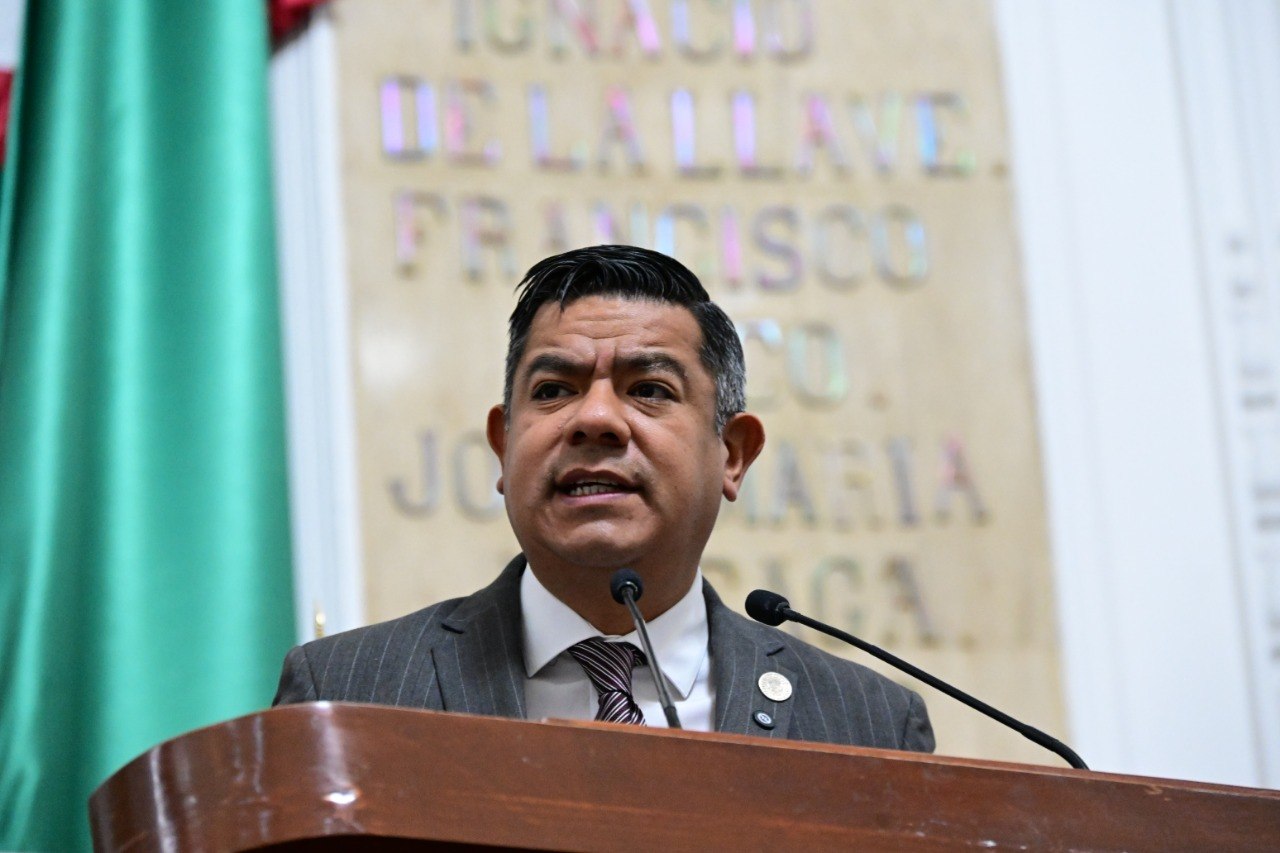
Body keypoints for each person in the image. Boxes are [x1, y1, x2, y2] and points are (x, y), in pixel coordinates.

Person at [274, 244, 934, 751]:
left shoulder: (870, 723)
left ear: (732, 454)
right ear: (504, 446)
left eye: (648, 389)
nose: (594, 419)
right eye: (554, 390)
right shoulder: (347, 691)